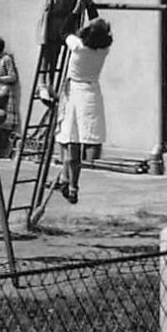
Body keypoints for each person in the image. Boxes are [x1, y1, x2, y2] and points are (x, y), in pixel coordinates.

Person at [55, 16, 113, 204]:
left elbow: (63, 31)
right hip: (91, 93)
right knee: (75, 139)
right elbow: (97, 23)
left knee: (69, 139)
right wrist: (87, 1)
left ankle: (70, 183)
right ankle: (69, 183)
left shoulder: (77, 46)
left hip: (74, 92)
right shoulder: (103, 49)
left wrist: (75, 8)